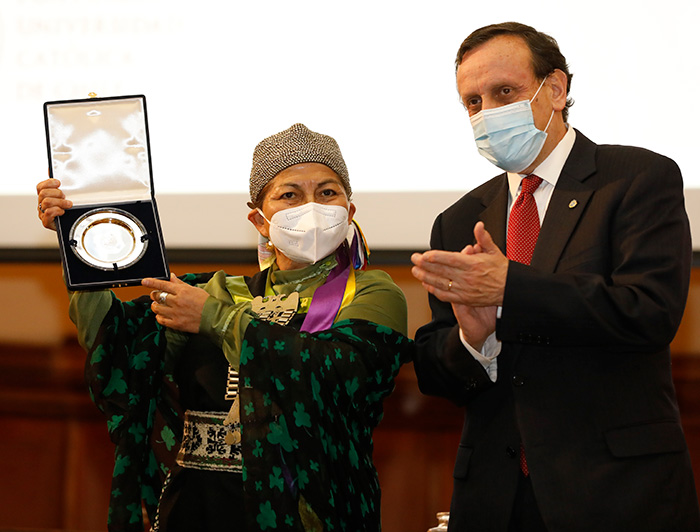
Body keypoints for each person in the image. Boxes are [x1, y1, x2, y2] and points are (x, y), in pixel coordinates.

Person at [37, 123, 412, 532]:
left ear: (349, 210)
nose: (313, 206)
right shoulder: (215, 291)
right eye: (290, 194)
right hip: (197, 509)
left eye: (327, 192)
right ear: (260, 221)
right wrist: (79, 238)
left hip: (306, 513)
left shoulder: (371, 293)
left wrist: (215, 320)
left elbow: (340, 372)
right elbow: (118, 351)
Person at [411, 22, 700, 532]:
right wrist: (474, 340)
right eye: (473, 102)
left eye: (505, 92)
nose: (488, 112)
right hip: (496, 500)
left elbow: (647, 312)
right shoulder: (458, 219)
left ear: (557, 89)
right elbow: (438, 374)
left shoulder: (636, 179)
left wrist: (510, 288)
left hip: (615, 492)